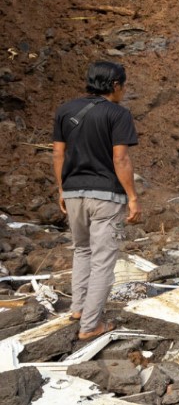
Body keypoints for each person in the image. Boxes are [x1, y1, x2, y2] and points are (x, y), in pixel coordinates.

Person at [52, 61, 140, 341]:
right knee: (103, 260)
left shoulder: (65, 111)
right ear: (115, 85)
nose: (123, 91)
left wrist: (61, 190)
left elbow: (58, 155)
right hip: (106, 196)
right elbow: (120, 158)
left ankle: (79, 309)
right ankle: (90, 325)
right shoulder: (118, 114)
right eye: (122, 86)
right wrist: (133, 196)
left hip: (74, 192)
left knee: (82, 251)